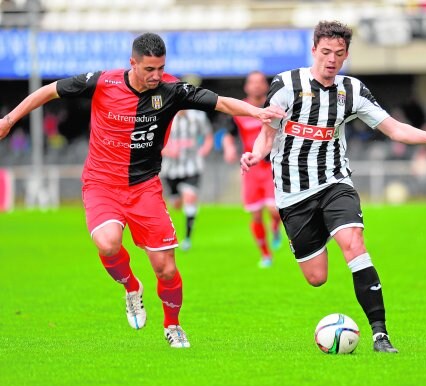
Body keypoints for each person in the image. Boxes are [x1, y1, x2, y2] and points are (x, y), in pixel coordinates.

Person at [0, 32, 284, 349]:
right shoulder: (101, 82)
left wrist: (257, 112)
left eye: (160, 68)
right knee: (108, 245)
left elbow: (219, 102)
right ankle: (132, 287)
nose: (156, 76)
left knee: (166, 269)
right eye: (149, 69)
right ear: (132, 63)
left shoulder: (172, 90)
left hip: (144, 188)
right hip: (101, 184)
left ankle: (173, 326)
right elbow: (49, 91)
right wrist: (9, 120)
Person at [240, 21, 426, 353]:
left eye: (339, 54)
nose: (331, 60)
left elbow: (394, 129)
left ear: (346, 56)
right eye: (326, 52)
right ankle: (326, 232)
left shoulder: (352, 90)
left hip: (334, 182)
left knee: (354, 244)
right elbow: (268, 134)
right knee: (317, 277)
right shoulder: (285, 85)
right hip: (293, 194)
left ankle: (380, 334)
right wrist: (255, 155)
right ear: (313, 50)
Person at [221, 71, 282, 268]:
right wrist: (229, 147)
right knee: (255, 214)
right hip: (251, 170)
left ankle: (275, 226)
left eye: (260, 82)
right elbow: (227, 134)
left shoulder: (275, 108)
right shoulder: (241, 110)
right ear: (246, 87)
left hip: (272, 167)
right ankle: (265, 255)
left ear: (266, 86)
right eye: (252, 82)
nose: (256, 86)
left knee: (274, 210)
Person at [162, 107, 214, 251]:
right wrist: (166, 150)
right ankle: (176, 200)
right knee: (176, 204)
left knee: (190, 198)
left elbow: (208, 136)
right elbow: (155, 141)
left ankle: (187, 238)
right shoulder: (165, 115)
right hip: (170, 168)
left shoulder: (198, 116)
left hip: (192, 166)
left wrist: (204, 149)